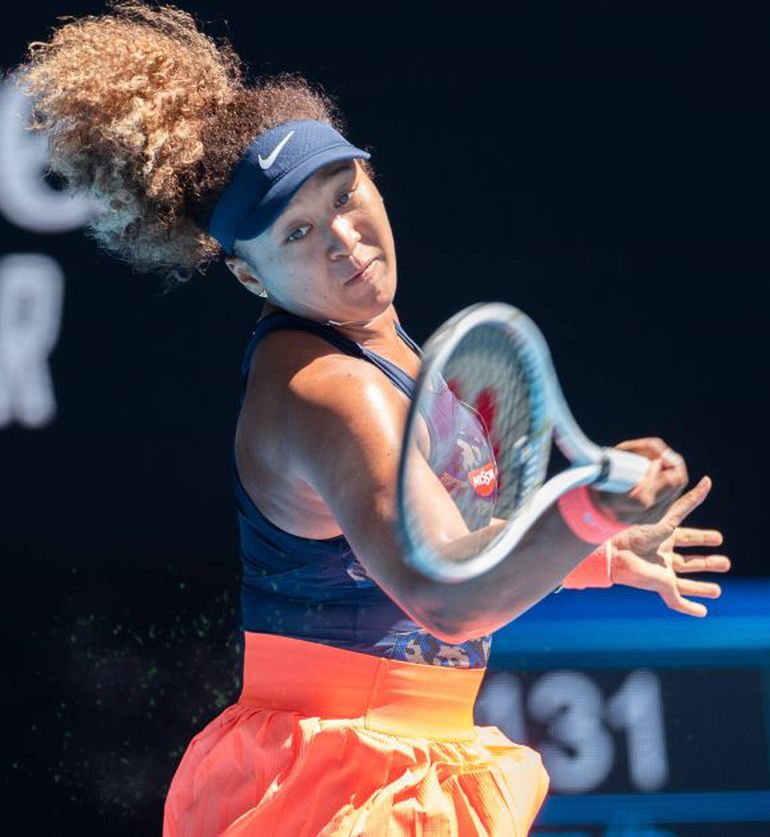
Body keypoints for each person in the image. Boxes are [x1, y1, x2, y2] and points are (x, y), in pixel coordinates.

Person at [16, 3, 731, 834]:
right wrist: (584, 511)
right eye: (298, 231)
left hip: (411, 754)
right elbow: (445, 597)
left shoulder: (389, 349)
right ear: (251, 278)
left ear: (373, 178)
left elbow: (452, 529)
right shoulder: (331, 391)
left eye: (345, 195)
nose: (343, 239)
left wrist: (590, 552)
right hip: (340, 778)